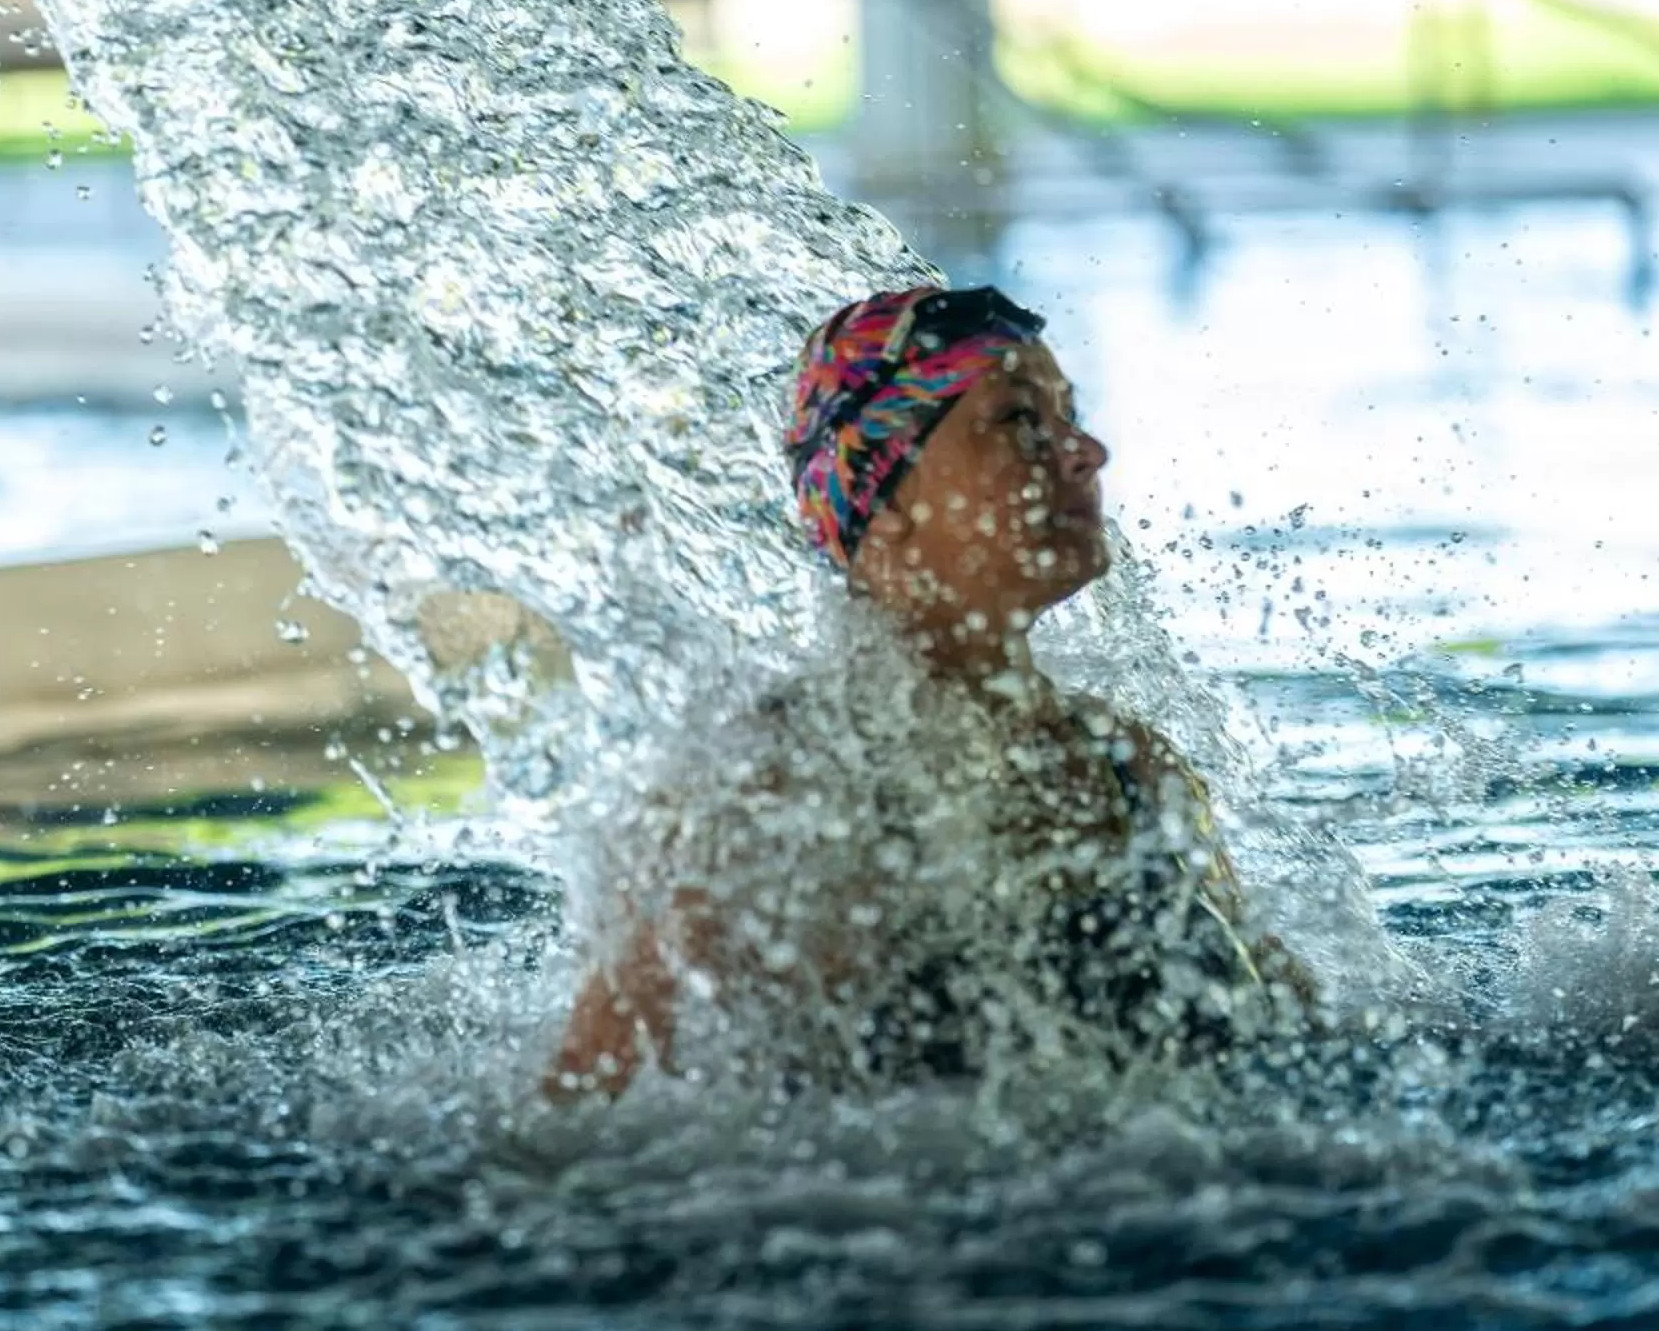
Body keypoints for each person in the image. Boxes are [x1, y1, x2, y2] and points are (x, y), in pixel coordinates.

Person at [549, 285, 1310, 1100]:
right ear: (888, 500)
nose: (1086, 450)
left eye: (1067, 415)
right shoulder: (759, 792)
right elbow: (581, 1121)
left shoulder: (1130, 768)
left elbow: (1301, 1035)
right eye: (1021, 422)